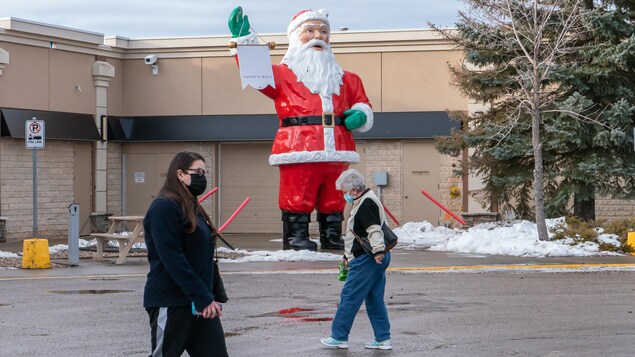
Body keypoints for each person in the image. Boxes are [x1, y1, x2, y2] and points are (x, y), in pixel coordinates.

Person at [228, 7, 374, 251]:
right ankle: (296, 236)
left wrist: (360, 115)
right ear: (296, 37)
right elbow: (254, 71)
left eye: (324, 31)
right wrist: (245, 41)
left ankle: (331, 234)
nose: (319, 36)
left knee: (334, 196)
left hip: (337, 149)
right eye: (310, 30)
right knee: (298, 192)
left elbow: (362, 103)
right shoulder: (282, 75)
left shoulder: (348, 78)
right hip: (298, 147)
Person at [143, 151, 228, 357]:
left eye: (204, 172)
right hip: (172, 302)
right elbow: (174, 260)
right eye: (197, 172)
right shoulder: (163, 208)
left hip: (200, 304)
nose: (202, 177)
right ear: (180, 174)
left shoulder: (191, 206)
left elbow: (204, 257)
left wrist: (212, 296)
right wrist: (202, 298)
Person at [320, 169, 393, 350]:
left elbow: (374, 229)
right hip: (372, 257)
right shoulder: (365, 200)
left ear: (353, 190)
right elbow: (357, 234)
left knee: (349, 297)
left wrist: (377, 252)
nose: (344, 195)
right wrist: (347, 256)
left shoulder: (366, 203)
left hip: (367, 259)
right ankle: (383, 339)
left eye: (345, 192)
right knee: (374, 299)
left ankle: (338, 337)